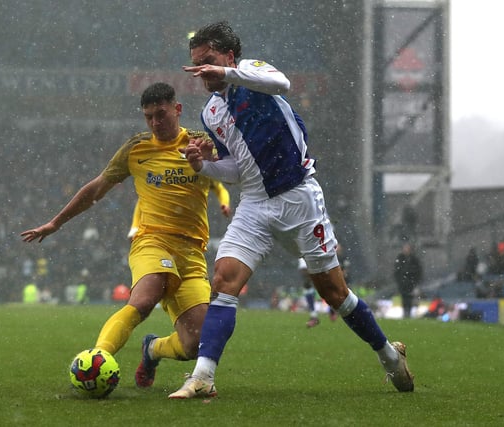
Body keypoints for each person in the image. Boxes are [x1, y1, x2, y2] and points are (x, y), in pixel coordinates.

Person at [168, 21, 414, 399]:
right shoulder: (211, 113)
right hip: (253, 203)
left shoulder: (254, 71)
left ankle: (388, 354)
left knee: (335, 293)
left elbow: (282, 84)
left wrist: (230, 73)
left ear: (229, 56)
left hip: (298, 197)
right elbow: (237, 167)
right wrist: (204, 166)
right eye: (197, 65)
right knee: (224, 280)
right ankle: (203, 376)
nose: (203, 71)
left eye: (209, 61)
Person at [21, 82, 221, 389]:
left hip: (193, 252)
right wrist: (56, 223)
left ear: (177, 109)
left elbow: (230, 177)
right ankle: (96, 360)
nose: (155, 122)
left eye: (161, 114)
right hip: (152, 240)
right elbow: (96, 189)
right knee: (145, 298)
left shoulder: (201, 142)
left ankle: (152, 349)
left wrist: (210, 162)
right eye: (149, 116)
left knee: (194, 345)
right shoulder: (136, 148)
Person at [393, 242, 423, 319]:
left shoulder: (414, 260)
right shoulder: (400, 258)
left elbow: (418, 271)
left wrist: (414, 281)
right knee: (404, 298)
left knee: (409, 298)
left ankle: (408, 313)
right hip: (403, 283)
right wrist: (399, 280)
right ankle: (405, 313)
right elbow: (396, 271)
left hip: (410, 283)